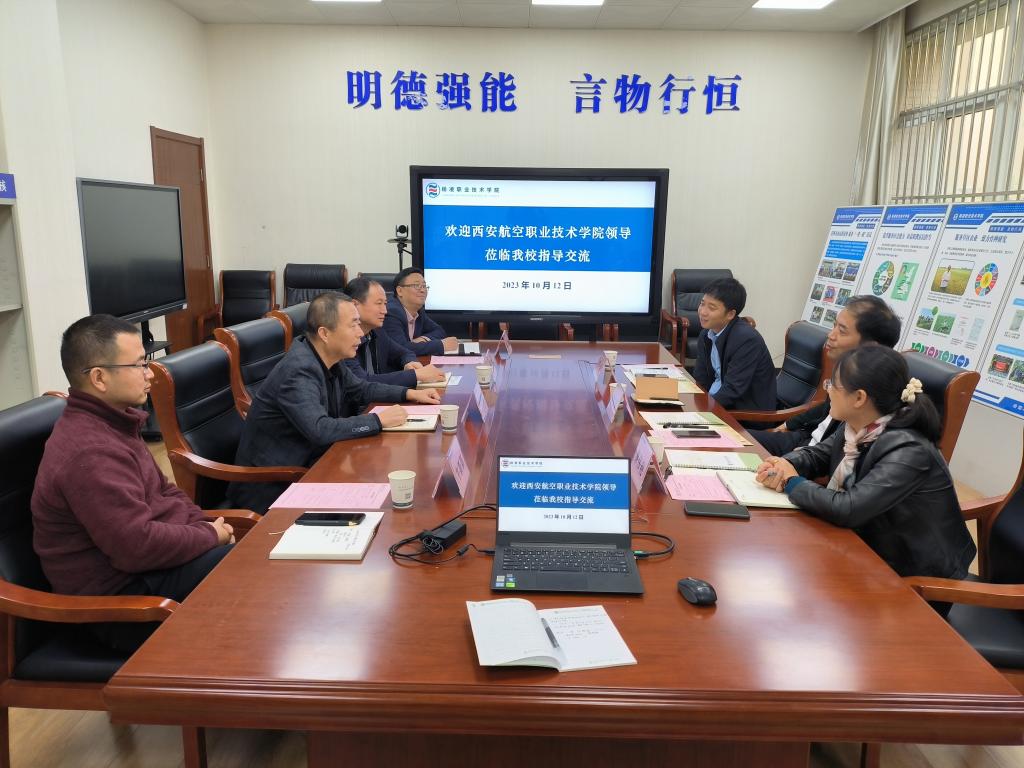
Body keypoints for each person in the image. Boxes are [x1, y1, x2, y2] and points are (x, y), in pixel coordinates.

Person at [31, 315, 235, 652]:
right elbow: (136, 547)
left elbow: (165, 491)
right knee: (247, 574)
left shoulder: (114, 422)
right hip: (121, 605)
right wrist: (209, 536)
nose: (149, 373)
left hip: (150, 575)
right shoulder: (89, 450)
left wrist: (202, 526)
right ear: (99, 377)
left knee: (252, 565)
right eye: (139, 365)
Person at [755, 345, 975, 612]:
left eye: (832, 385)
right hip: (865, 549)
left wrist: (791, 482)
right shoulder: (859, 426)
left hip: (913, 581)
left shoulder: (909, 449)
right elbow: (818, 455)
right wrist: (785, 464)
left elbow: (848, 508)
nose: (827, 390)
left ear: (859, 397)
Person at [229, 291, 441, 513]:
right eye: (353, 325)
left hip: (315, 463)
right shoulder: (299, 370)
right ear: (325, 333)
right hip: (273, 486)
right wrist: (377, 420)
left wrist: (409, 394)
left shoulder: (326, 356)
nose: (360, 333)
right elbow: (320, 429)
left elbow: (362, 388)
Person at [749, 295, 901, 455]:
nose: (830, 335)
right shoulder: (844, 371)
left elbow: (832, 456)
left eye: (842, 331)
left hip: (814, 455)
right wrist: (787, 425)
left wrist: (795, 459)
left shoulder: (870, 400)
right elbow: (824, 407)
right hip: (805, 440)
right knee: (738, 439)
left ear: (871, 346)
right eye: (834, 326)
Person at [345, 276, 446, 388]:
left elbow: (404, 353)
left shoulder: (377, 331)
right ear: (355, 305)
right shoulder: (343, 339)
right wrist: (414, 376)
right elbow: (362, 382)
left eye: (385, 303)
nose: (384, 311)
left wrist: (410, 363)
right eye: (379, 303)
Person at [692, 277, 777, 411]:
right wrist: (693, 402)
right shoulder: (706, 334)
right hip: (716, 403)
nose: (702, 312)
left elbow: (732, 390)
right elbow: (700, 377)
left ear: (730, 314)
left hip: (745, 412)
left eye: (711, 308)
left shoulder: (747, 340)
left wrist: (704, 410)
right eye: (702, 304)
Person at [383, 267, 459, 356]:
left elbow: (439, 331)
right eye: (416, 286)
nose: (423, 290)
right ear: (400, 291)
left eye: (424, 286)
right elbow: (400, 349)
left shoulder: (418, 311)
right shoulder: (391, 312)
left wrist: (422, 339)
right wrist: (441, 345)